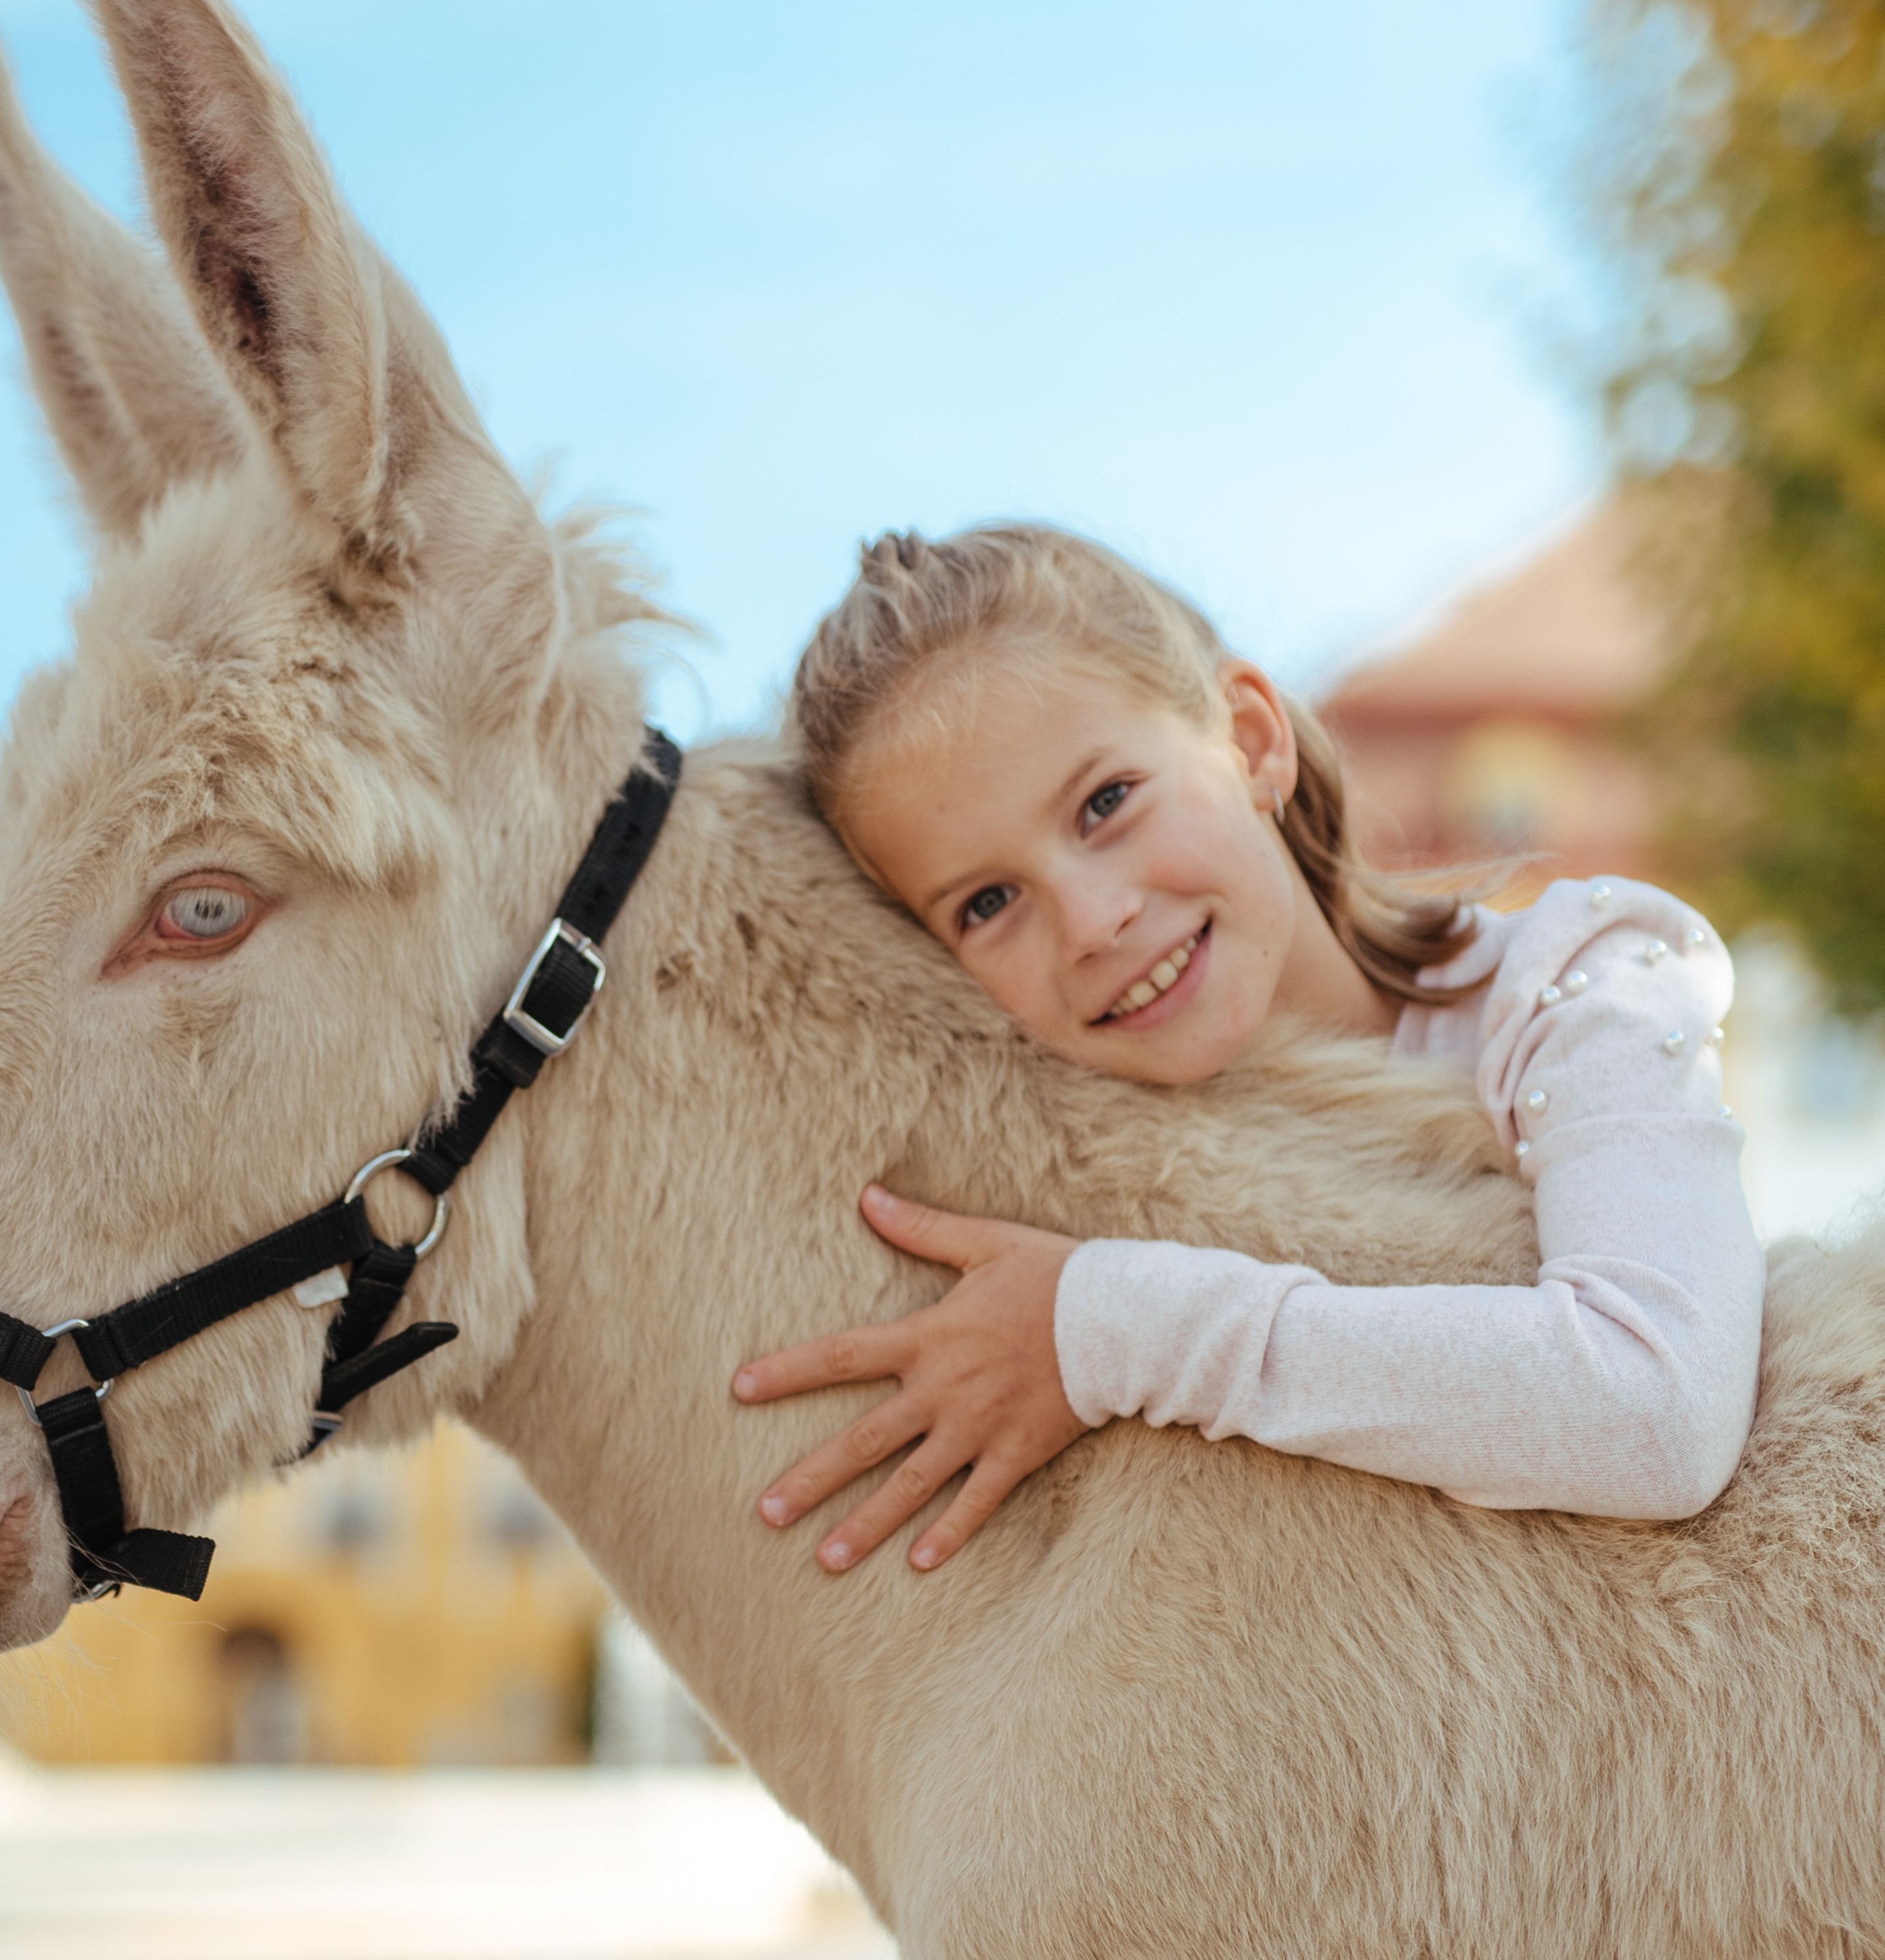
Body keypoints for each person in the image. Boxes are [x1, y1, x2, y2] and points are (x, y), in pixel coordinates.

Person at [732, 524, 1763, 1575]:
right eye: (987, 902)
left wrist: (1109, 1331)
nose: (1090, 921)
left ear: (1250, 740)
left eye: (1105, 803)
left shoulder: (1574, 986)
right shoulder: (1052, 1185)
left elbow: (1657, 1411)